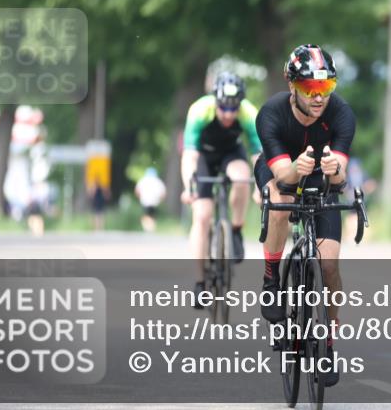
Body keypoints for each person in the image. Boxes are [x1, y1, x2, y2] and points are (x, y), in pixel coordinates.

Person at [254, 44, 353, 388]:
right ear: (291, 85)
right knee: (278, 200)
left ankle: (327, 344)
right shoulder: (271, 114)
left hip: (319, 179)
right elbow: (282, 176)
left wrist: (335, 169)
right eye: (310, 88)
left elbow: (341, 177)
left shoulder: (341, 114)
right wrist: (296, 169)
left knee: (329, 264)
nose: (318, 97)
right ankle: (271, 280)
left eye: (325, 88)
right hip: (282, 171)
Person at [180, 71, 262, 300]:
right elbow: (189, 156)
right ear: (215, 100)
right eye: (223, 108)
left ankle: (235, 230)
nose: (228, 114)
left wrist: (262, 186)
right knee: (202, 216)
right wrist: (189, 187)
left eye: (233, 109)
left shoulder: (248, 113)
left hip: (230, 154)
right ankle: (199, 283)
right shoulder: (199, 110)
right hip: (203, 157)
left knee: (242, 176)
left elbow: (258, 156)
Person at [135, 167, 166, 232]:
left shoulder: (143, 180)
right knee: (152, 215)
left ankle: (147, 227)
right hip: (155, 202)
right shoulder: (158, 181)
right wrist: (161, 200)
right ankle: (151, 227)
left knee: (146, 215)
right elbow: (163, 193)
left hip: (145, 201)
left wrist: (139, 197)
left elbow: (137, 190)